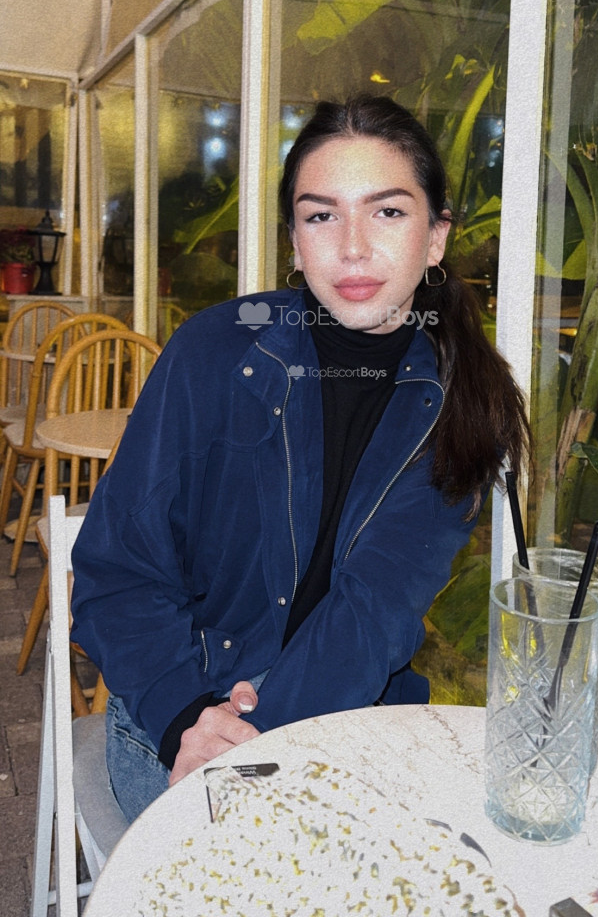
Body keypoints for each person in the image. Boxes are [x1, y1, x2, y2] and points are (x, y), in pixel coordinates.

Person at [70, 94, 528, 823]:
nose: (352, 247)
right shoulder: (214, 352)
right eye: (321, 216)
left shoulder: (462, 406)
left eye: (387, 212)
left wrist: (261, 748)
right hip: (182, 716)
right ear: (294, 240)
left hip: (348, 719)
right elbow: (118, 570)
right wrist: (189, 720)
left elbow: (371, 614)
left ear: (436, 237)